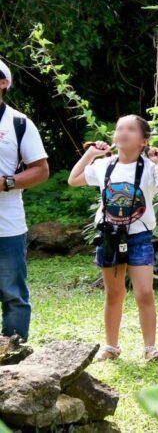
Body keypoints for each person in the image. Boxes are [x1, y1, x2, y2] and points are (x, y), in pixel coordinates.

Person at [68, 115, 158, 362]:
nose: (123, 132)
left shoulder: (150, 169)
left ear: (144, 140)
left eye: (131, 129)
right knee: (114, 293)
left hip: (139, 237)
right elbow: (74, 179)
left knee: (144, 292)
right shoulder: (105, 166)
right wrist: (91, 155)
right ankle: (111, 346)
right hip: (109, 236)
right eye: (119, 128)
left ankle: (150, 348)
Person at [0, 59, 49, 341]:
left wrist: (6, 183)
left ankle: (14, 360)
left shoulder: (19, 123)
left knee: (13, 294)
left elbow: (41, 170)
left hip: (8, 225)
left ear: (3, 83)